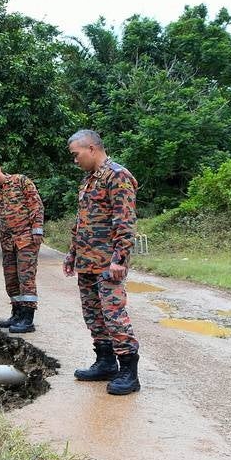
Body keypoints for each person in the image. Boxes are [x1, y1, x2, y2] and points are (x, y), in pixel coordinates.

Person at [63, 129, 141, 395]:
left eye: (76, 154)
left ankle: (129, 372)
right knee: (94, 316)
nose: (74, 160)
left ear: (92, 149)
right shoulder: (88, 180)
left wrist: (120, 259)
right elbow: (81, 221)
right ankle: (106, 362)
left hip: (108, 263)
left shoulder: (117, 176)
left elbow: (125, 221)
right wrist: (72, 253)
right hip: (87, 261)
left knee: (114, 315)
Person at [0, 160, 44, 334]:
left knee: (25, 278)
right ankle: (17, 314)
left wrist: (37, 231)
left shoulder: (21, 181)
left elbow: (36, 205)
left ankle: (28, 319)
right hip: (7, 242)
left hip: (26, 240)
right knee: (11, 279)